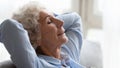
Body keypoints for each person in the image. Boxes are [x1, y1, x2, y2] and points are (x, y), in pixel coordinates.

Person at [0, 1, 84, 68]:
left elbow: (75, 19)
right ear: (36, 38)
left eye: (56, 18)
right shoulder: (36, 65)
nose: (61, 22)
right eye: (49, 22)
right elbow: (9, 26)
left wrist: (50, 18)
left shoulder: (67, 53)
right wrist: (31, 29)